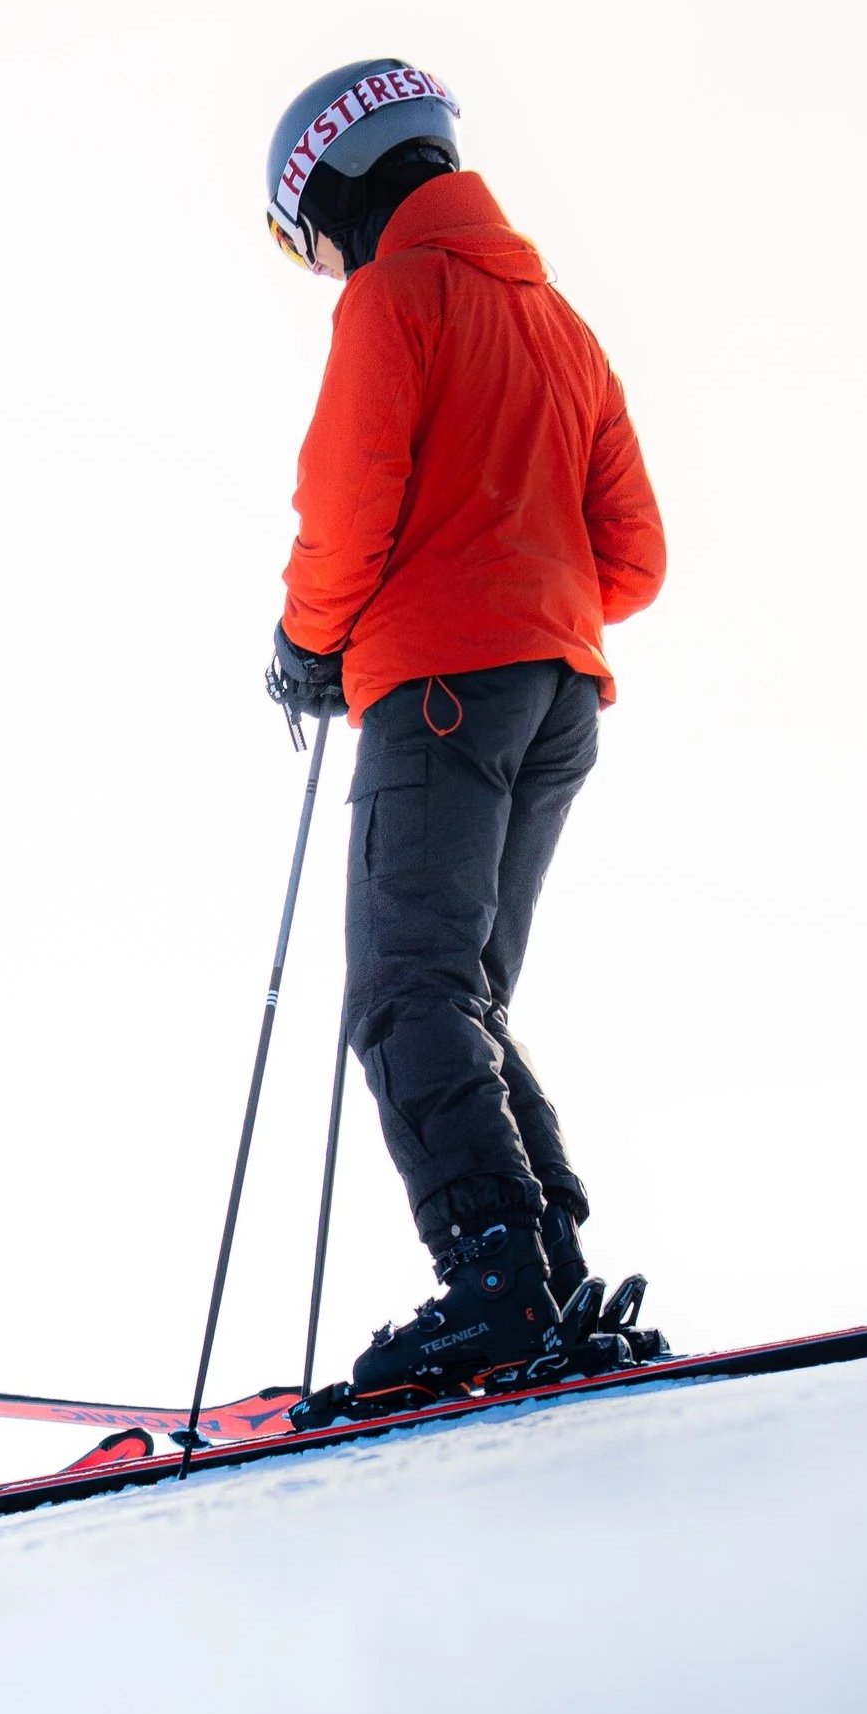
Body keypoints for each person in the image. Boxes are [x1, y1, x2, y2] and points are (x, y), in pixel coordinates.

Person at [259, 62, 666, 1404]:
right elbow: (636, 556)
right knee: (461, 990)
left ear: (334, 188)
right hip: (556, 691)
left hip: (439, 688)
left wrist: (314, 642)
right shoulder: (558, 320)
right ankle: (541, 1272)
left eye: (303, 233)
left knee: (402, 995)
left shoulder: (398, 294)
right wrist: (525, 596)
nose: (319, 266)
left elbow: (349, 496)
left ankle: (494, 1282)